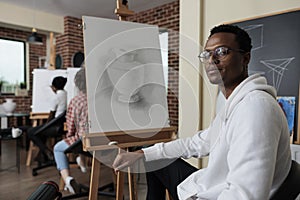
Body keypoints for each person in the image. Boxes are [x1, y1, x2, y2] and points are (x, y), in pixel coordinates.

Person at [112, 24, 292, 200]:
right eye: (207, 54)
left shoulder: (255, 108)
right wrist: (143, 154)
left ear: (245, 58)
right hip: (213, 185)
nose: (212, 60)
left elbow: (245, 194)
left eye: (222, 52)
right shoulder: (234, 103)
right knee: (155, 160)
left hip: (217, 193)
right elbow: (198, 143)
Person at [53, 68, 88, 194]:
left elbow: (71, 126)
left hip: (83, 143)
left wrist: (69, 136)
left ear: (77, 84)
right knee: (83, 137)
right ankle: (82, 161)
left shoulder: (76, 101)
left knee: (58, 148)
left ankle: (68, 179)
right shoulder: (100, 100)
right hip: (102, 144)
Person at [27, 76, 67, 163]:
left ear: (54, 87)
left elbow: (51, 115)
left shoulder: (56, 97)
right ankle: (42, 155)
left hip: (55, 126)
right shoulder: (65, 93)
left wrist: (45, 126)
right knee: (41, 133)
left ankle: (46, 151)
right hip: (61, 125)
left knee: (31, 132)